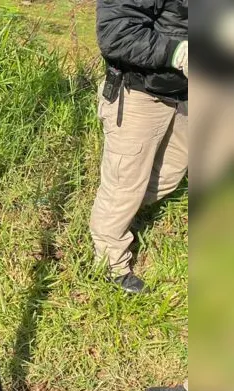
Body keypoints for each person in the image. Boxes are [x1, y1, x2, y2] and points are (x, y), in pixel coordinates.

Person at [90, 0, 188, 294]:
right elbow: (115, 32)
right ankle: (111, 264)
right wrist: (178, 51)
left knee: (170, 173)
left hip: (188, 92)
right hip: (138, 92)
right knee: (124, 185)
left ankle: (117, 218)